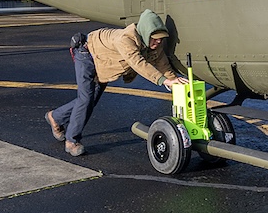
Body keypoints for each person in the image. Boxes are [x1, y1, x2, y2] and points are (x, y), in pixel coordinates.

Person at [45, 9, 186, 157]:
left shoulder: (155, 45)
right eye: (155, 38)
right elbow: (137, 63)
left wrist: (175, 82)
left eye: (161, 38)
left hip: (104, 64)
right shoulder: (125, 39)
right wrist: (163, 80)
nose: (158, 41)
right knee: (86, 99)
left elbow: (163, 64)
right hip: (87, 54)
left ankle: (55, 116)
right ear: (145, 32)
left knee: (90, 101)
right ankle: (71, 141)